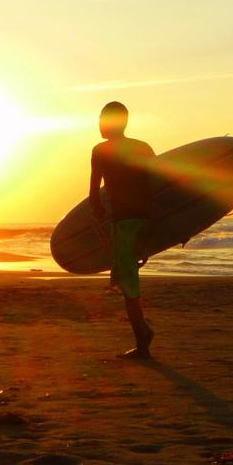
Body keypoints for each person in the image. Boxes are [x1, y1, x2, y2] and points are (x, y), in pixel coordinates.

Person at [89, 101, 155, 358]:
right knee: (128, 279)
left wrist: (99, 217)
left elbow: (94, 198)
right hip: (147, 221)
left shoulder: (100, 151)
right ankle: (143, 332)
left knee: (128, 285)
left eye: (101, 119)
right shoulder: (143, 148)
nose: (98, 124)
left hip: (124, 224)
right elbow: (159, 186)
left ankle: (143, 338)